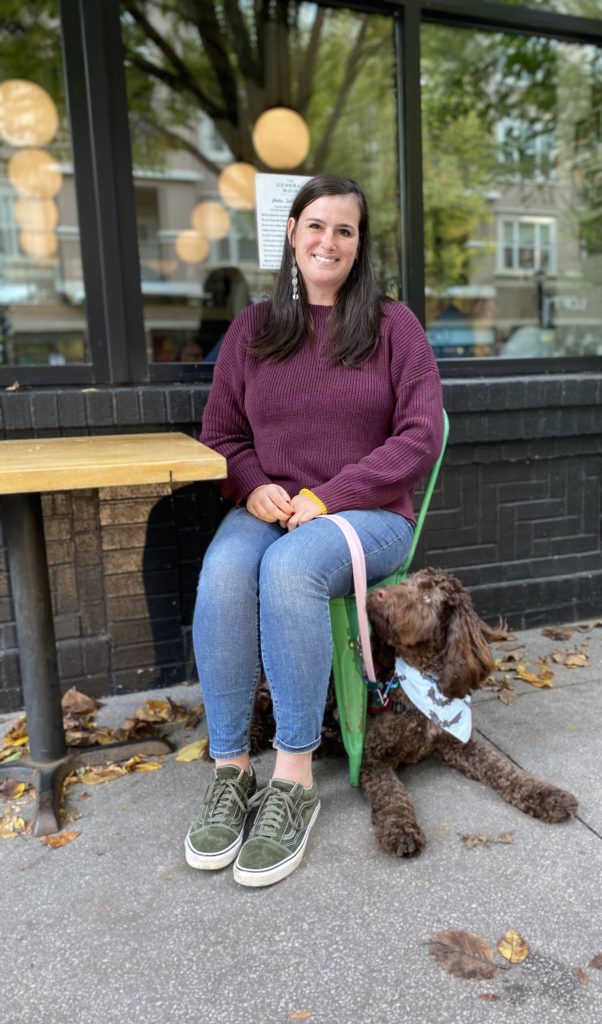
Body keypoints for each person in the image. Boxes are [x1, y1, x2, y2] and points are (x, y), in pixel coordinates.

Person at [184, 174, 444, 887]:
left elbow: (419, 438)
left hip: (370, 514)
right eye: (317, 226)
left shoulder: (395, 327)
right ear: (292, 234)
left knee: (290, 569)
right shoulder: (254, 329)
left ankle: (293, 778)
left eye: (345, 230)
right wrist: (252, 485)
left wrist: (328, 497)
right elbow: (222, 436)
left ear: (360, 247)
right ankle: (232, 767)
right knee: (225, 573)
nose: (329, 241)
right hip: (272, 509)